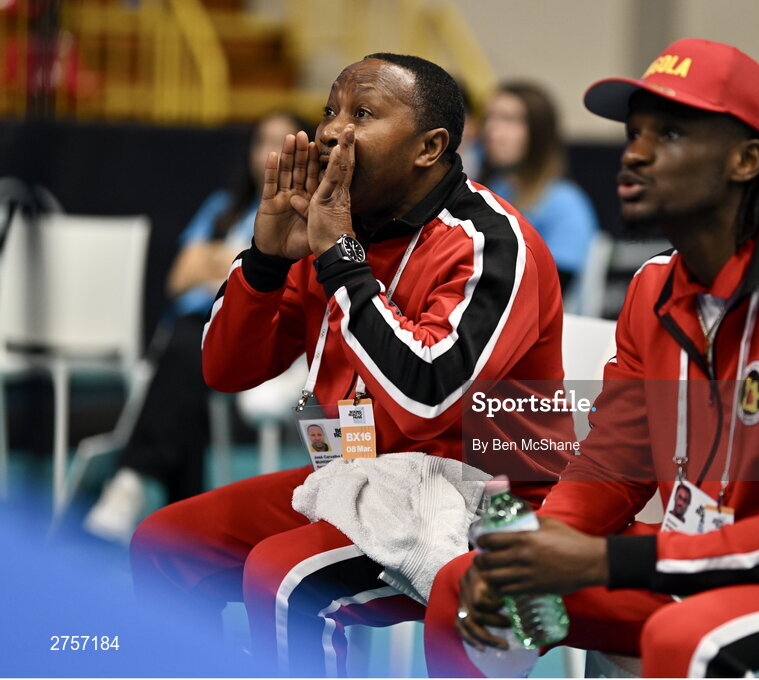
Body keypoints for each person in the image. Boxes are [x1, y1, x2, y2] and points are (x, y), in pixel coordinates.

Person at [425, 38, 759, 677]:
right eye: (634, 132)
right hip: (695, 562)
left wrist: (603, 562)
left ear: (746, 160)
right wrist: (537, 547)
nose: (635, 153)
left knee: (687, 640)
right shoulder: (654, 289)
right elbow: (614, 465)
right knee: (466, 584)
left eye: (669, 134)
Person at [130, 53, 574, 676]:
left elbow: (427, 395)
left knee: (286, 581)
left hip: (484, 500)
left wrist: (339, 257)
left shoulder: (490, 241)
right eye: (330, 111)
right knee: (164, 544)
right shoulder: (333, 229)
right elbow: (223, 370)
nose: (334, 131)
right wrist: (264, 261)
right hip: (358, 481)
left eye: (362, 114)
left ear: (430, 147)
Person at [84, 112, 307, 544]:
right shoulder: (222, 209)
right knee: (189, 345)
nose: (269, 152)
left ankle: (131, 480)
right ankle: (171, 512)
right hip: (195, 334)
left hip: (252, 340)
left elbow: (281, 279)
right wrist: (243, 260)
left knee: (191, 343)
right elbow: (179, 277)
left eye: (282, 141)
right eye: (262, 140)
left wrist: (223, 261)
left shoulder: (305, 215)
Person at [480, 81, 598, 292]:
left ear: (538, 132)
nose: (492, 130)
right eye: (490, 117)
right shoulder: (488, 188)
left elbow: (554, 287)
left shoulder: (565, 202)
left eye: (509, 119)